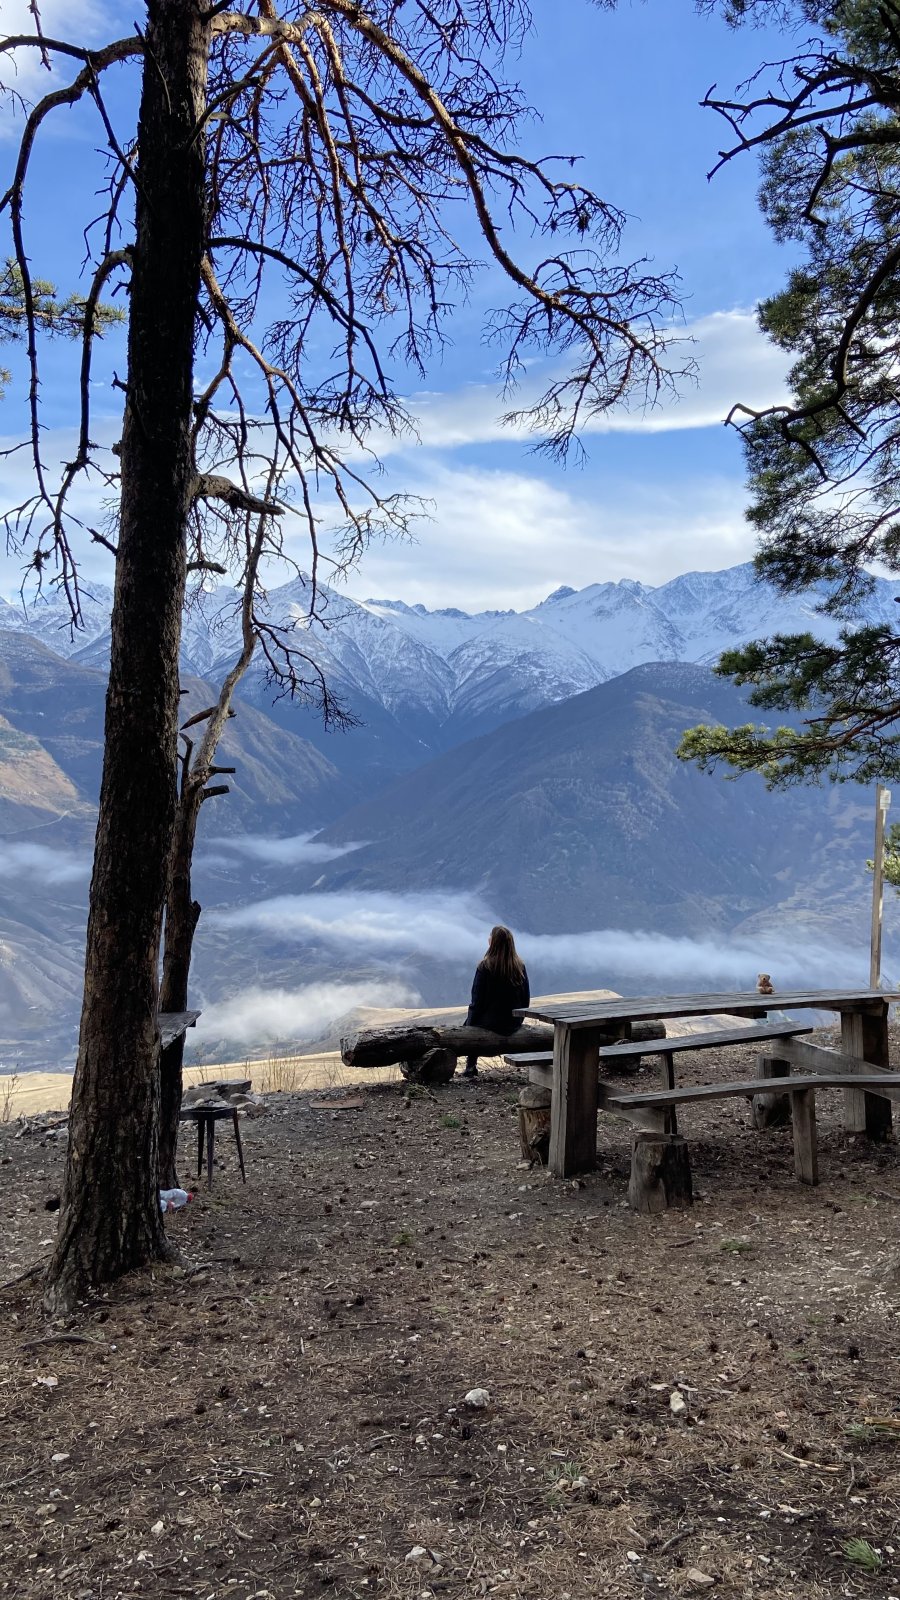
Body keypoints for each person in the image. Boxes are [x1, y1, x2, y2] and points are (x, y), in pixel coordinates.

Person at [462, 925, 530, 1078]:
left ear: (493, 942)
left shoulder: (485, 967)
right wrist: (518, 1020)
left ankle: (470, 1066)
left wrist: (469, 1024)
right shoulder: (520, 966)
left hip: (490, 1022)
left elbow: (477, 1002)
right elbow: (525, 999)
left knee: (468, 1025)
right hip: (513, 1022)